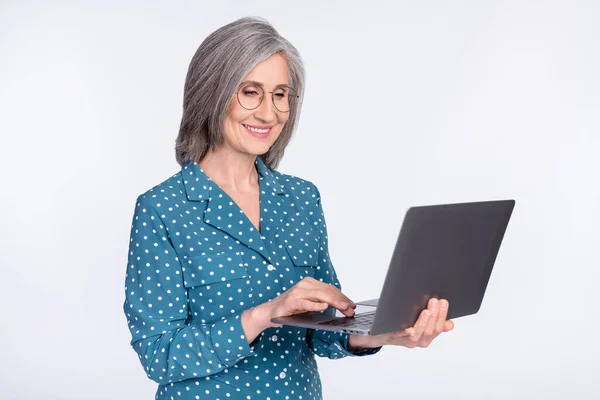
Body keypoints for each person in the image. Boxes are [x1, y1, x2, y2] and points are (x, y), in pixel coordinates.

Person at [123, 16, 454, 400]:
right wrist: (264, 314)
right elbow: (159, 356)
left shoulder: (301, 198)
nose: (268, 113)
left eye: (280, 94)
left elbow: (321, 332)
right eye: (251, 92)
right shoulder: (163, 209)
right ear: (211, 93)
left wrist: (380, 333)